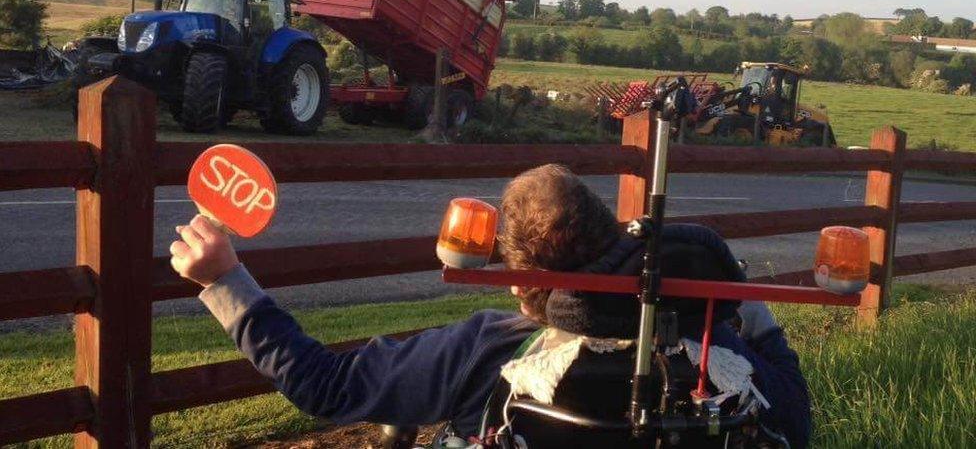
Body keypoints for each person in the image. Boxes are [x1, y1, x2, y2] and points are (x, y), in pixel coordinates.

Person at [170, 164, 810, 447]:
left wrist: (224, 282)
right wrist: (733, 303)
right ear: (616, 241)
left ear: (518, 282)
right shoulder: (719, 366)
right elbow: (797, 425)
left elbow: (324, 386)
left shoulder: (493, 354)